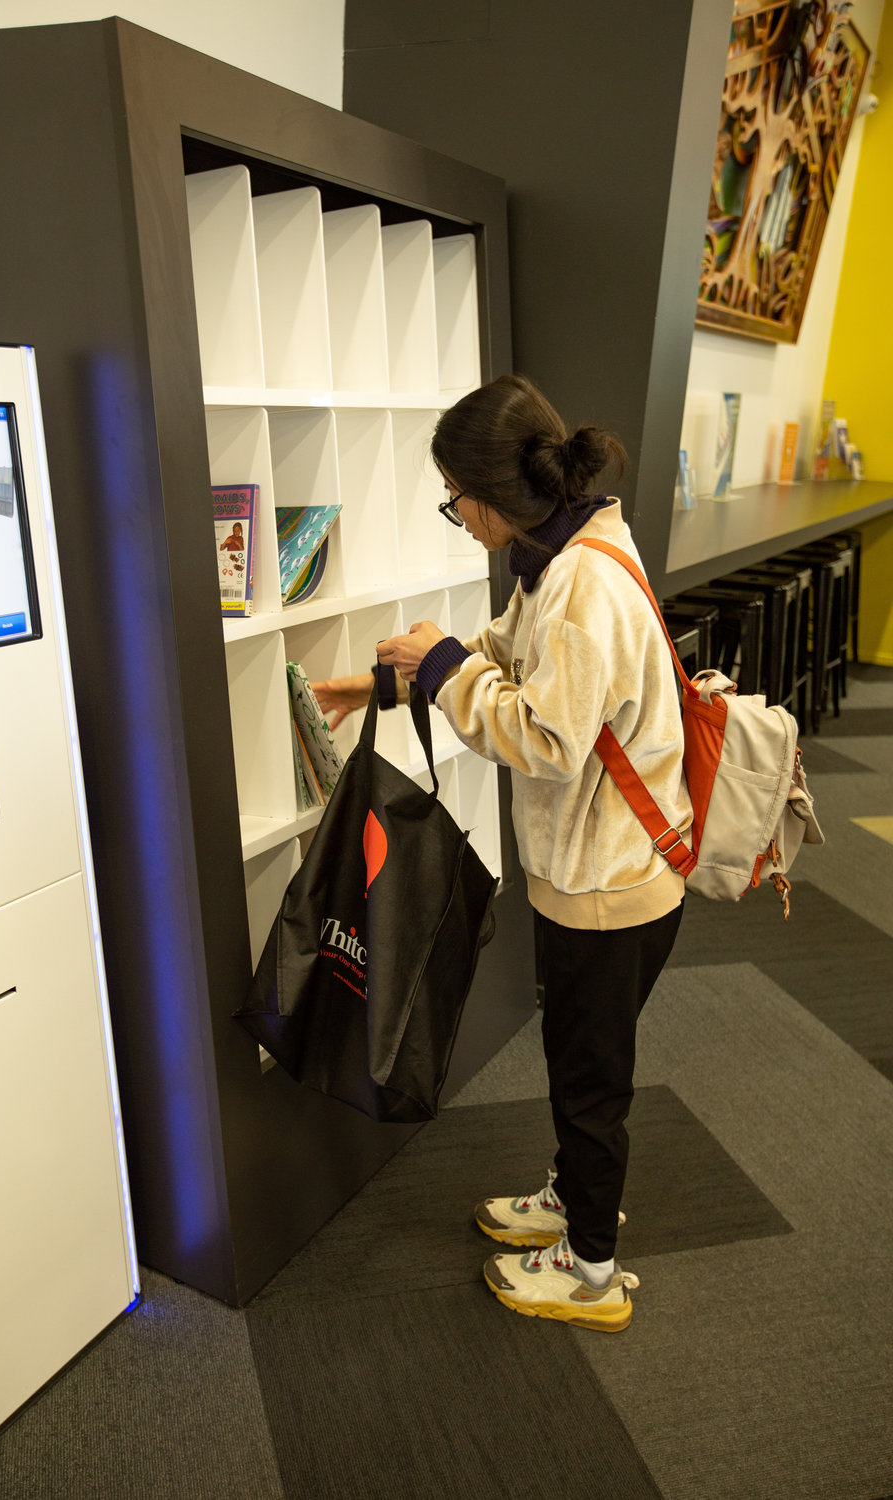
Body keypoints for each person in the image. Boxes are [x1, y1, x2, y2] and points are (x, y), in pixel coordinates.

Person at [312, 373, 691, 1332]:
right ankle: (572, 1202)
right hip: (602, 870)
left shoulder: (580, 586)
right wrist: (378, 686)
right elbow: (500, 658)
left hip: (612, 884)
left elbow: (546, 739)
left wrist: (443, 666)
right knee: (578, 1058)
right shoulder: (561, 552)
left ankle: (592, 1269)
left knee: (591, 1082)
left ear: (489, 493)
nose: (457, 516)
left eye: (454, 498)